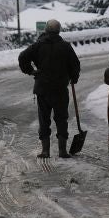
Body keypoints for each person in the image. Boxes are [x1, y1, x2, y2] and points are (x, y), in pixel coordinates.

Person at [18, 19, 81, 158]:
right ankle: (62, 150)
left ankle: (45, 151)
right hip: (60, 89)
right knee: (61, 118)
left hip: (43, 89)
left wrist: (31, 71)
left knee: (44, 119)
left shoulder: (38, 45)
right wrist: (73, 77)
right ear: (59, 30)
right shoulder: (65, 46)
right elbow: (75, 65)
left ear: (45, 30)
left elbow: (22, 57)